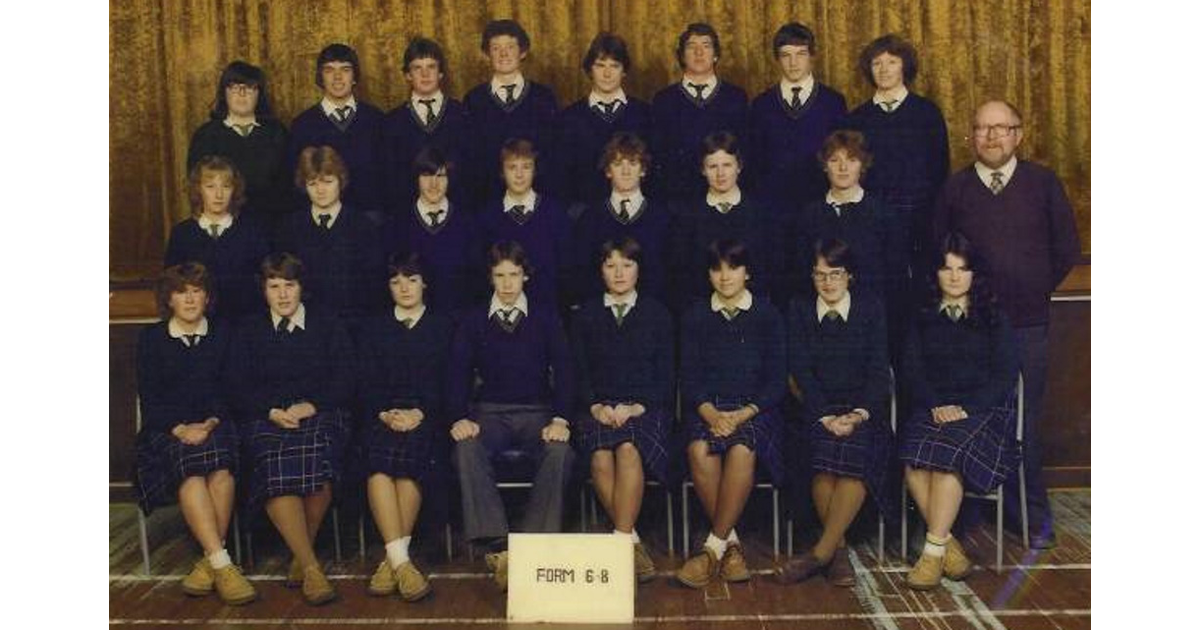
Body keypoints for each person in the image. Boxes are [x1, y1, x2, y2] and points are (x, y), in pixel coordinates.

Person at [930, 100, 1082, 549]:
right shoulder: (955, 189)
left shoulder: (1042, 183)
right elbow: (938, 252)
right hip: (970, 328)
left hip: (1027, 323)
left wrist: (1031, 287)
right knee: (972, 412)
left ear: (1019, 134)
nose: (992, 137)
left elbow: (1066, 249)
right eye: (982, 128)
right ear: (970, 137)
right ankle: (967, 513)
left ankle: (1030, 516)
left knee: (1024, 420)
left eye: (1002, 128)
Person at [446, 241, 575, 592]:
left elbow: (565, 371)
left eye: (514, 275)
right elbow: (456, 372)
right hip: (490, 414)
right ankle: (499, 547)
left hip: (537, 413)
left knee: (561, 453)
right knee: (465, 447)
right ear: (490, 278)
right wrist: (459, 416)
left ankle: (532, 547)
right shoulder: (473, 320)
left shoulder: (546, 317)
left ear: (525, 276)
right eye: (500, 276)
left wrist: (561, 419)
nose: (507, 284)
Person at [228, 253, 355, 605]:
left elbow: (346, 377)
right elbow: (237, 385)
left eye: (290, 285)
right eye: (274, 287)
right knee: (273, 461)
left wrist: (311, 405)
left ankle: (301, 557)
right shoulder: (249, 329)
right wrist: (271, 411)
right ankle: (312, 567)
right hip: (267, 418)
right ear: (263, 290)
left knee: (319, 457)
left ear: (302, 288)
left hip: (319, 412)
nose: (283, 295)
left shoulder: (327, 323)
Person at [898, 233, 1019, 590]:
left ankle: (931, 554)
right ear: (936, 274)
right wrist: (936, 405)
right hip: (934, 411)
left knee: (946, 459)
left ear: (973, 275)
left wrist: (965, 409)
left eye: (962, 270)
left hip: (982, 415)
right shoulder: (922, 317)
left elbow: (1005, 374)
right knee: (913, 459)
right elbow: (911, 370)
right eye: (947, 269)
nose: (954, 277)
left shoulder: (993, 317)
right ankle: (948, 545)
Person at [133, 263, 256, 605]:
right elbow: (151, 399)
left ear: (207, 297)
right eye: (181, 292)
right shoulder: (151, 340)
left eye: (196, 291)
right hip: (167, 431)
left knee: (220, 466)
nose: (189, 299)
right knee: (190, 468)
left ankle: (209, 562)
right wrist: (181, 428)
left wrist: (209, 423)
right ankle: (223, 562)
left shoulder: (224, 334)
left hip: (216, 424)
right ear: (168, 299)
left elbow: (231, 390)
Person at [774, 240, 890, 588]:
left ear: (849, 276)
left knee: (855, 454)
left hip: (861, 414)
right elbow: (801, 371)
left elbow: (878, 370)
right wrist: (825, 416)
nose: (827, 283)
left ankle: (819, 555)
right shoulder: (799, 309)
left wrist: (856, 415)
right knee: (824, 454)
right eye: (820, 275)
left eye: (835, 274)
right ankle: (836, 551)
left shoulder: (871, 309)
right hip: (816, 412)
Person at [676, 239, 786, 588]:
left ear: (747, 271)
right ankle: (732, 546)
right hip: (709, 408)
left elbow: (777, 379)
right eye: (717, 268)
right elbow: (689, 377)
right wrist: (711, 414)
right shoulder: (695, 315)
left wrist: (740, 415)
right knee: (698, 448)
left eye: (733, 267)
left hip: (754, 411)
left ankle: (711, 549)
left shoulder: (767, 314)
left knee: (741, 449)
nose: (725, 277)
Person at [569, 237, 674, 583]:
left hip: (644, 409)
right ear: (600, 270)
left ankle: (619, 540)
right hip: (596, 409)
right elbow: (578, 371)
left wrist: (635, 406)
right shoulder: (585, 315)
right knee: (600, 455)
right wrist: (596, 406)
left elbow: (667, 374)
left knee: (628, 449)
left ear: (638, 270)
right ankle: (631, 540)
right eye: (610, 265)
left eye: (626, 265)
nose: (619, 273)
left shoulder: (658, 313)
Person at [356, 252, 455, 601]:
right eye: (396, 281)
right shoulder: (374, 327)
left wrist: (420, 414)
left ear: (424, 283)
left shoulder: (444, 325)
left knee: (410, 464)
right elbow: (365, 383)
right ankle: (402, 562)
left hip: (427, 419)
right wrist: (385, 413)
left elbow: (450, 383)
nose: (405, 288)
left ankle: (392, 560)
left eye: (411, 279)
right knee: (379, 468)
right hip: (384, 417)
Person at [793, 130, 906, 344]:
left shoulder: (883, 215)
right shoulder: (809, 216)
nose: (843, 168)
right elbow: (801, 280)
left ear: (863, 165)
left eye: (852, 160)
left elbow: (895, 283)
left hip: (871, 330)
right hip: (822, 329)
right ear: (825, 165)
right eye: (835, 160)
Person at [845, 34, 948, 260]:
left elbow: (940, 171)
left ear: (904, 66)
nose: (884, 69)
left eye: (892, 62)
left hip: (919, 219)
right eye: (876, 63)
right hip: (872, 218)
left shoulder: (927, 113)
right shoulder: (856, 119)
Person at [275, 145, 387, 324]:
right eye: (312, 183)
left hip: (354, 324)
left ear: (340, 181)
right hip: (306, 325)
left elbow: (373, 287)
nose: (320, 190)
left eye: (327, 181)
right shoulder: (290, 228)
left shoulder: (363, 227)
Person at [749, 22, 847, 220]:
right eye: (786, 55)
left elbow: (842, 155)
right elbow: (755, 161)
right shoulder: (761, 104)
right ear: (777, 59)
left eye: (801, 54)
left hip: (821, 203)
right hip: (774, 207)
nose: (793, 62)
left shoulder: (833, 101)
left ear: (812, 56)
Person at [670, 132, 778, 309]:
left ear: (739, 166)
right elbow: (683, 276)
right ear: (703, 170)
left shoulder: (761, 214)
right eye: (713, 166)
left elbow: (768, 272)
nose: (721, 174)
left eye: (727, 165)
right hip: (703, 311)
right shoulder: (687, 217)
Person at [553, 32, 653, 213]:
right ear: (590, 70)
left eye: (614, 66)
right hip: (584, 215)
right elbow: (561, 179)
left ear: (624, 71)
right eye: (600, 65)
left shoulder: (645, 114)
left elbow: (653, 175)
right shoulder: (569, 118)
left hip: (634, 213)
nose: (607, 73)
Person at [464, 19, 558, 206]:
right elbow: (471, 161)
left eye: (510, 47)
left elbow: (553, 156)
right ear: (487, 54)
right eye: (496, 48)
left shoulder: (544, 97)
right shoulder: (474, 100)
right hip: (487, 203)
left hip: (536, 202)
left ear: (523, 52)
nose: (504, 54)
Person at [652, 22, 749, 203]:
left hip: (725, 200)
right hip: (678, 200)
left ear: (716, 54)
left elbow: (744, 153)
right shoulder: (663, 100)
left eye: (706, 45)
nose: (699, 52)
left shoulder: (735, 97)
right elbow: (659, 157)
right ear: (682, 56)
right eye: (691, 46)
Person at [288, 43, 387, 219]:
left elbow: (388, 179)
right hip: (323, 224)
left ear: (355, 77)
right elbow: (297, 185)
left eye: (345, 70)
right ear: (320, 77)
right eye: (329, 70)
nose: (338, 77)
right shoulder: (302, 125)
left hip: (371, 221)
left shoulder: (377, 120)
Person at [187, 61, 290, 227]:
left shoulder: (277, 133)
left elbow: (289, 187)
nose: (242, 93)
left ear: (259, 94)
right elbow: (197, 190)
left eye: (249, 87)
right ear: (224, 93)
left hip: (271, 227)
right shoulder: (205, 136)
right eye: (234, 87)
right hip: (224, 229)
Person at [165, 155, 269, 320]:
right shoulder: (182, 234)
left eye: (226, 187)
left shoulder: (252, 233)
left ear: (234, 190)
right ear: (198, 189)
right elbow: (172, 286)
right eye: (210, 186)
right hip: (198, 326)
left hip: (242, 325)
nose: (218, 194)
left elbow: (264, 286)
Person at [571, 133, 670, 304]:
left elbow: (666, 275)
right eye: (617, 164)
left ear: (643, 169)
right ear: (608, 171)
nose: (625, 171)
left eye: (633, 163)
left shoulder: (662, 217)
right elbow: (583, 275)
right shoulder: (590, 218)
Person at [477, 139, 572, 311]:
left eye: (526, 167)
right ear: (502, 172)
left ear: (535, 170)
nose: (519, 175)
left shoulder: (555, 213)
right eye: (512, 167)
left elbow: (565, 271)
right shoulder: (487, 218)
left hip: (547, 312)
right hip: (503, 312)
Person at [388, 146, 484, 317]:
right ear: (416, 179)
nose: (434, 184)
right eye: (426, 176)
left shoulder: (468, 224)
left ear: (449, 179)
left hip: (457, 321)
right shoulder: (397, 225)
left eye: (440, 176)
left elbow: (476, 284)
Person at [383, 37, 470, 212]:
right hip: (409, 216)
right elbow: (391, 179)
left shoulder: (462, 114)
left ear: (441, 73)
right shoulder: (392, 122)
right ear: (407, 75)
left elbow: (470, 172)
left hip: (457, 213)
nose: (425, 74)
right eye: (417, 68)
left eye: (431, 67)